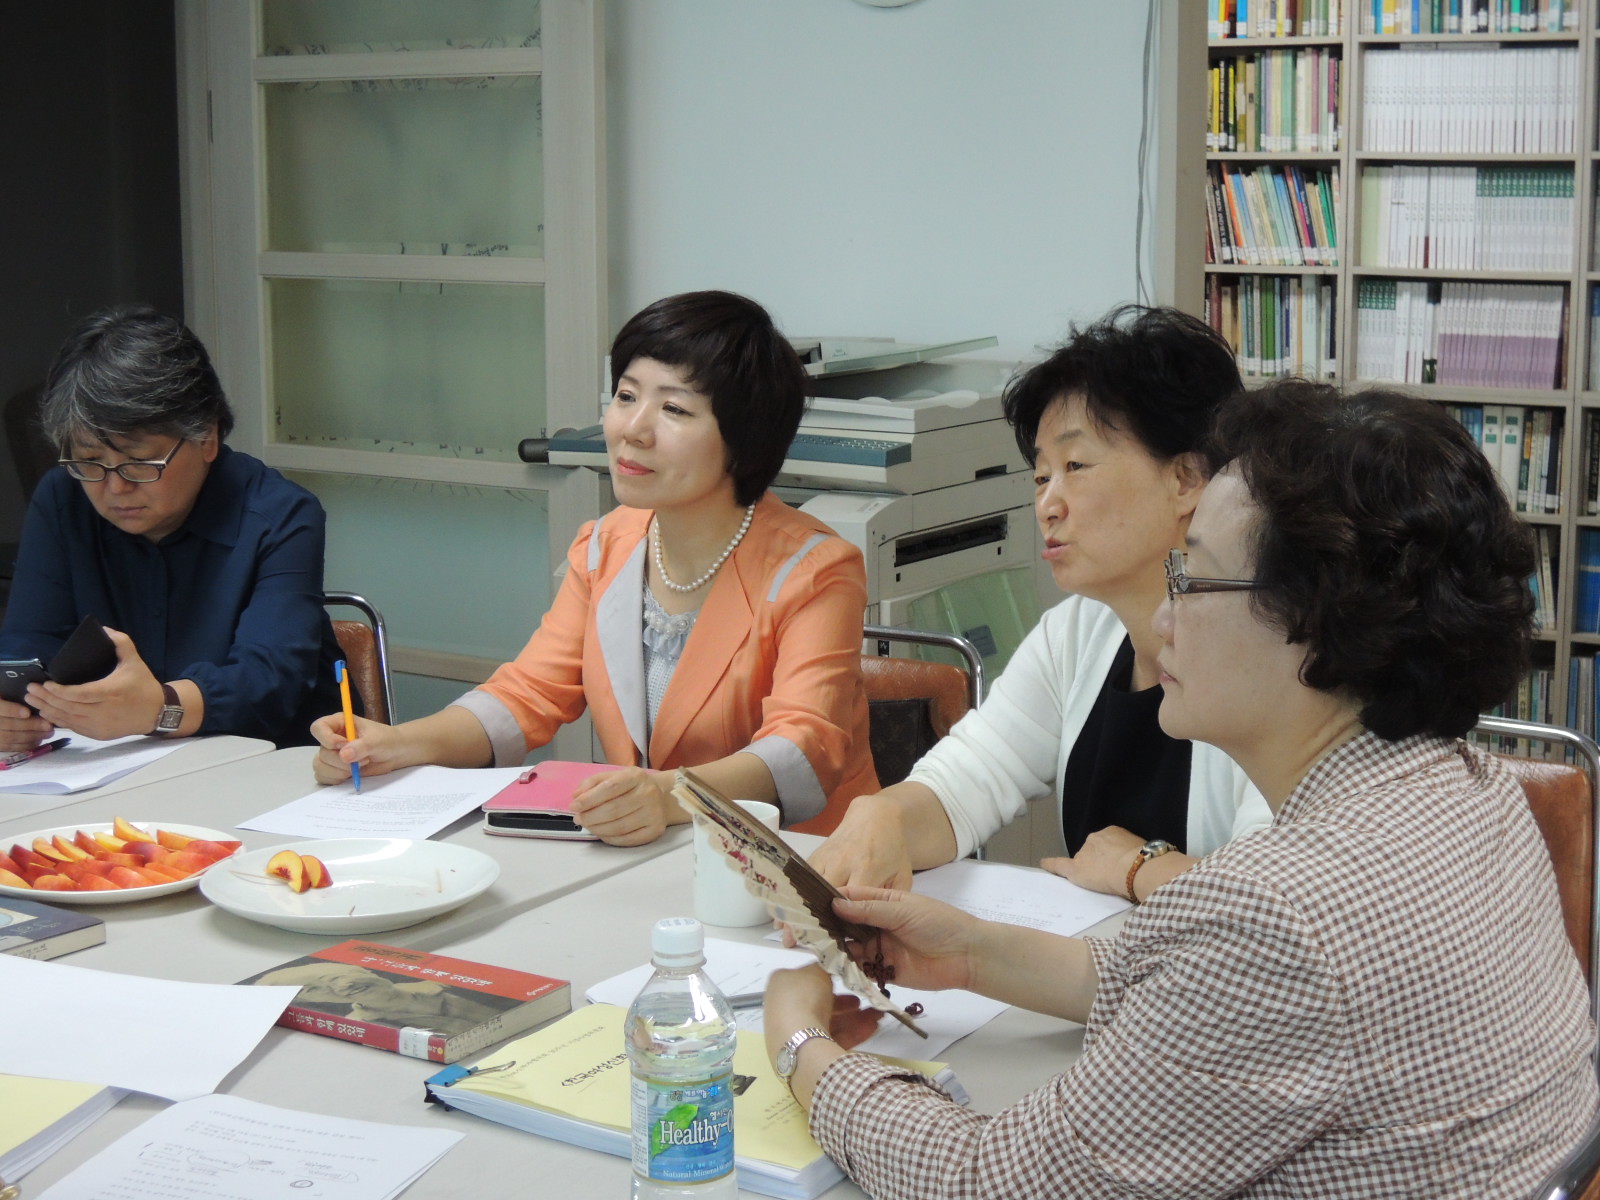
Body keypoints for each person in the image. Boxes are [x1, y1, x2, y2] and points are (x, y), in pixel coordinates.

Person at [763, 381, 1599, 1198]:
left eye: (1192, 579)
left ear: (1314, 622)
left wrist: (800, 1046)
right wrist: (970, 953)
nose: (1164, 618)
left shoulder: (1283, 916)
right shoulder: (1472, 790)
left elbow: (985, 1180)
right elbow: (1179, 982)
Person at [312, 290, 878, 844]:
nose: (633, 428)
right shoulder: (606, 545)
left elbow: (803, 748)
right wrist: (399, 744)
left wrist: (671, 795)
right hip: (650, 855)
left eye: (674, 409)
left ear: (745, 440)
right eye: (626, 396)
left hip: (799, 863)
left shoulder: (815, 570)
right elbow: (528, 693)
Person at [812, 305, 1269, 896]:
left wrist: (1137, 870)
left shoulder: (1268, 651)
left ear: (1185, 479)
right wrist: (887, 817)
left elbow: (1274, 895)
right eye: (1040, 475)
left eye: (1075, 466)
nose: (1048, 505)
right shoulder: (1077, 632)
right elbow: (970, 778)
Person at [0, 305, 346, 750]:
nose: (115, 487)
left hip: (272, 759)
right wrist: (13, 709)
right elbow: (27, 647)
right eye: (89, 461)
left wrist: (159, 708)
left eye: (139, 461)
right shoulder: (63, 499)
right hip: (111, 764)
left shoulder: (280, 514)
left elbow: (269, 680)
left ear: (206, 437)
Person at [250, 961, 511, 1036]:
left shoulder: (451, 983)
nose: (343, 986)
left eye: (332, 975)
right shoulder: (364, 1026)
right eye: (310, 990)